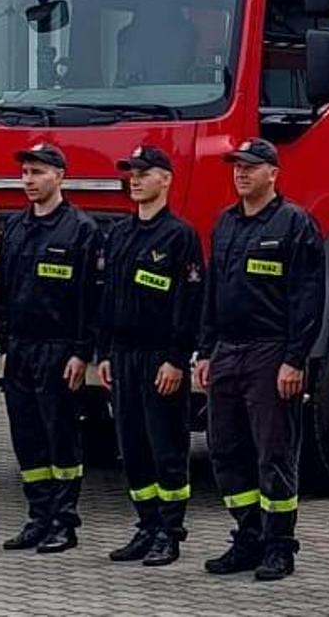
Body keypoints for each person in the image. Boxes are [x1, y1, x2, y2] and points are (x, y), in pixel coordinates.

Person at [195, 138, 325, 582]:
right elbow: (212, 292)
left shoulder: (294, 224)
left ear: (274, 173)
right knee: (226, 450)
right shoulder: (225, 224)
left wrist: (295, 359)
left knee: (274, 452)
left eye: (251, 167)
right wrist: (206, 349)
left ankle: (279, 546)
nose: (241, 173)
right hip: (228, 351)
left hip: (271, 352)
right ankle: (247, 536)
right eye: (237, 166)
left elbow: (308, 298)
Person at [0, 142, 103, 554]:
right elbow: (1, 291)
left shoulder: (80, 229)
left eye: (38, 172)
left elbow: (90, 299)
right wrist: (3, 342)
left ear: (60, 176)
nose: (29, 181)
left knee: (61, 439)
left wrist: (81, 351)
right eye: (25, 173)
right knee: (27, 437)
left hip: (58, 350)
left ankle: (64, 522)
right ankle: (38, 518)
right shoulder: (17, 228)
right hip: (20, 349)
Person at [97, 144, 204, 567]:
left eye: (144, 172)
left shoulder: (179, 236)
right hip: (123, 358)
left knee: (167, 447)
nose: (135, 179)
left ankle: (170, 532)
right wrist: (103, 351)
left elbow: (189, 301)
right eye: (131, 173)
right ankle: (145, 525)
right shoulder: (120, 235)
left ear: (166, 179)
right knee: (133, 447)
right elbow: (108, 297)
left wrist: (177, 359)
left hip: (160, 357)